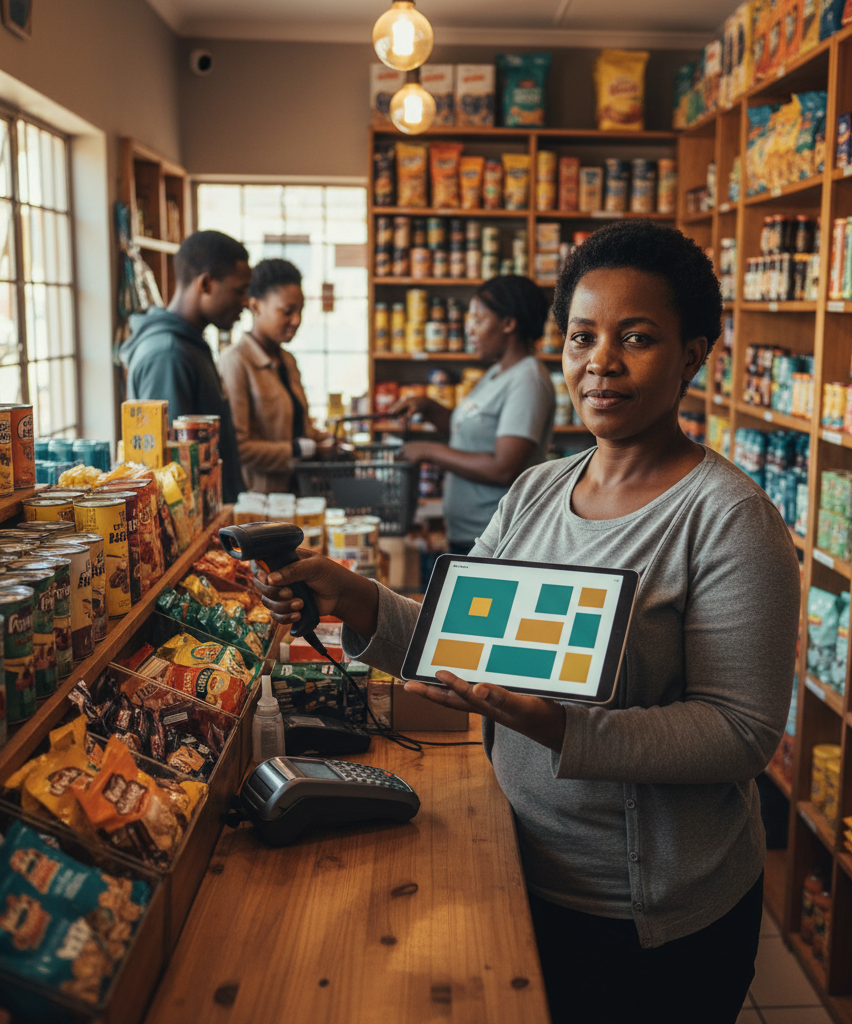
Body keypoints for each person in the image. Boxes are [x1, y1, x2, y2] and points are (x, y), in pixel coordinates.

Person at [254, 221, 801, 1024]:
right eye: (582, 337)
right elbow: (456, 641)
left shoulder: (731, 519)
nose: (601, 362)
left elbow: (740, 734)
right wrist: (353, 595)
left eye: (637, 338)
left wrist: (561, 729)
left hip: (646, 916)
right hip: (512, 860)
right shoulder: (540, 490)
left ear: (693, 353)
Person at [391, 275, 556, 555]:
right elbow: (468, 433)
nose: (469, 330)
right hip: (469, 533)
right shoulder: (496, 372)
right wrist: (429, 407)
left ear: (508, 323)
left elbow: (503, 468)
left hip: (498, 538)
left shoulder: (527, 379)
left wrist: (429, 451)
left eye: (479, 320)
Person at [121, 229, 250, 503]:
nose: (245, 303)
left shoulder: (189, 346)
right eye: (238, 291)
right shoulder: (167, 355)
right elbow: (170, 473)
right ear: (205, 284)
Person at [218, 258, 334, 493]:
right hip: (261, 504)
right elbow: (238, 447)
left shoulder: (287, 360)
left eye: (300, 311)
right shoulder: (236, 362)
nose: (296, 320)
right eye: (287, 311)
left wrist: (327, 440)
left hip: (300, 493)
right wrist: (304, 450)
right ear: (255, 306)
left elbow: (300, 428)